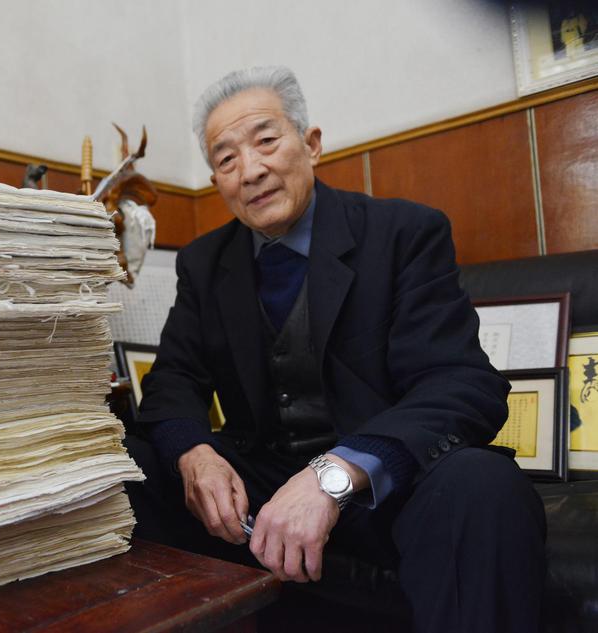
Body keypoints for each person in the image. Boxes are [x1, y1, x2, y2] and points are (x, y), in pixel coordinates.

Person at [125, 66, 546, 633]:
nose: (250, 170)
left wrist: (335, 474)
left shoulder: (403, 233)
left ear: (312, 144)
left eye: (266, 141)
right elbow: (174, 379)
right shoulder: (205, 263)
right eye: (226, 160)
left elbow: (460, 382)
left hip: (384, 483)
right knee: (127, 467)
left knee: (483, 486)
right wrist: (195, 456)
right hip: (264, 482)